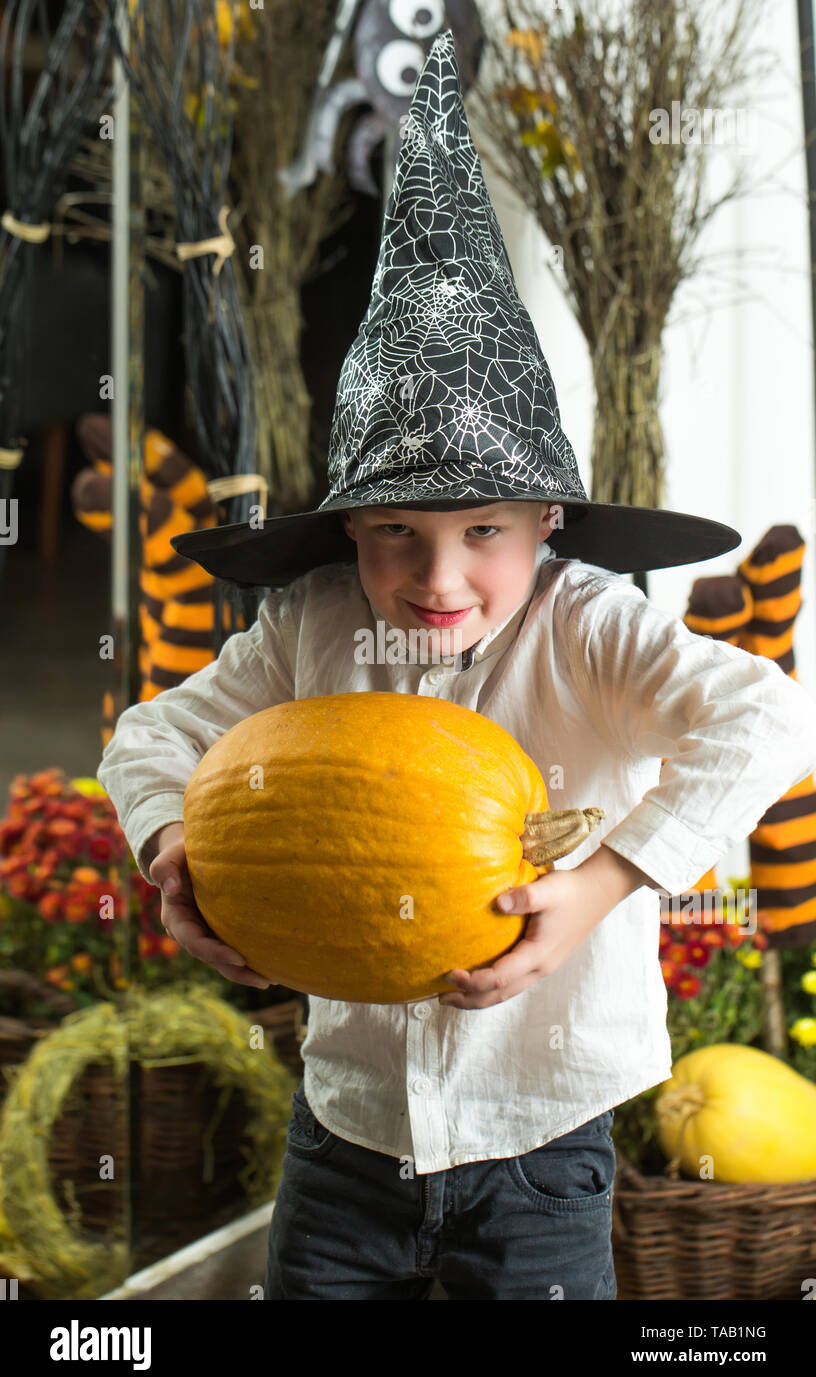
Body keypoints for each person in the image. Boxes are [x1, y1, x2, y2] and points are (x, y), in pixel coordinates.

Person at [96, 32, 816, 1300]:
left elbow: (766, 715)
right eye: (395, 535)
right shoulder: (313, 627)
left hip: (544, 1141)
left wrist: (599, 886)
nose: (438, 579)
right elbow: (147, 737)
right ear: (347, 535)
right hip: (346, 1136)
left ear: (548, 524)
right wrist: (172, 853)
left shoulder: (588, 625)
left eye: (483, 529)